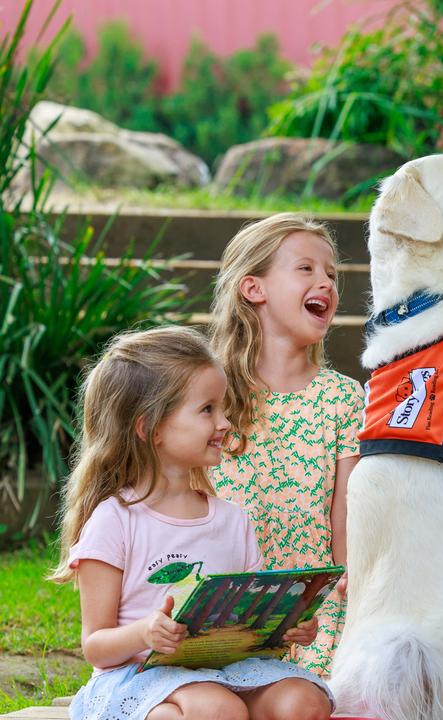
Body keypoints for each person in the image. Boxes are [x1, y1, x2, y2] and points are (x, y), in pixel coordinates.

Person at [50, 326, 332, 720]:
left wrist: (286, 627)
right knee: (216, 710)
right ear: (150, 428)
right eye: (207, 410)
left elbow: (249, 626)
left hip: (224, 672)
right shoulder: (115, 519)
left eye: (222, 408)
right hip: (138, 677)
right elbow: (95, 645)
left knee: (304, 701)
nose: (225, 423)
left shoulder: (234, 521)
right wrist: (145, 633)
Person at [207, 213, 364, 677]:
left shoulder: (343, 398)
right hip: (224, 605)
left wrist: (350, 596)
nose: (326, 283)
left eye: (332, 274)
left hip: (312, 613)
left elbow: (345, 518)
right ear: (253, 289)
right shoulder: (210, 395)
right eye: (306, 269)